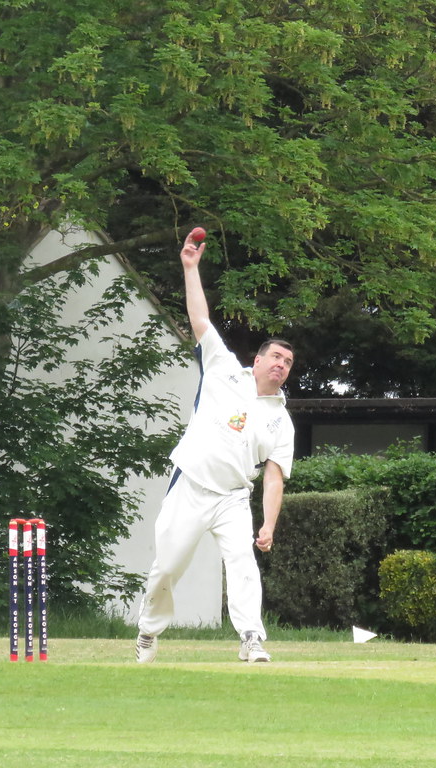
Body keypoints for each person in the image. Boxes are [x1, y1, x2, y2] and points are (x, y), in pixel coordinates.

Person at [135, 230, 295, 664]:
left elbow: (275, 475)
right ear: (258, 361)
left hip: (232, 497)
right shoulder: (224, 368)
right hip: (191, 483)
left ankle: (251, 638)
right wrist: (191, 268)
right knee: (167, 568)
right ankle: (149, 631)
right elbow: (201, 320)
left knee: (242, 564)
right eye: (275, 357)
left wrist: (269, 525)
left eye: (288, 362)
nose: (281, 365)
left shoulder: (281, 418)